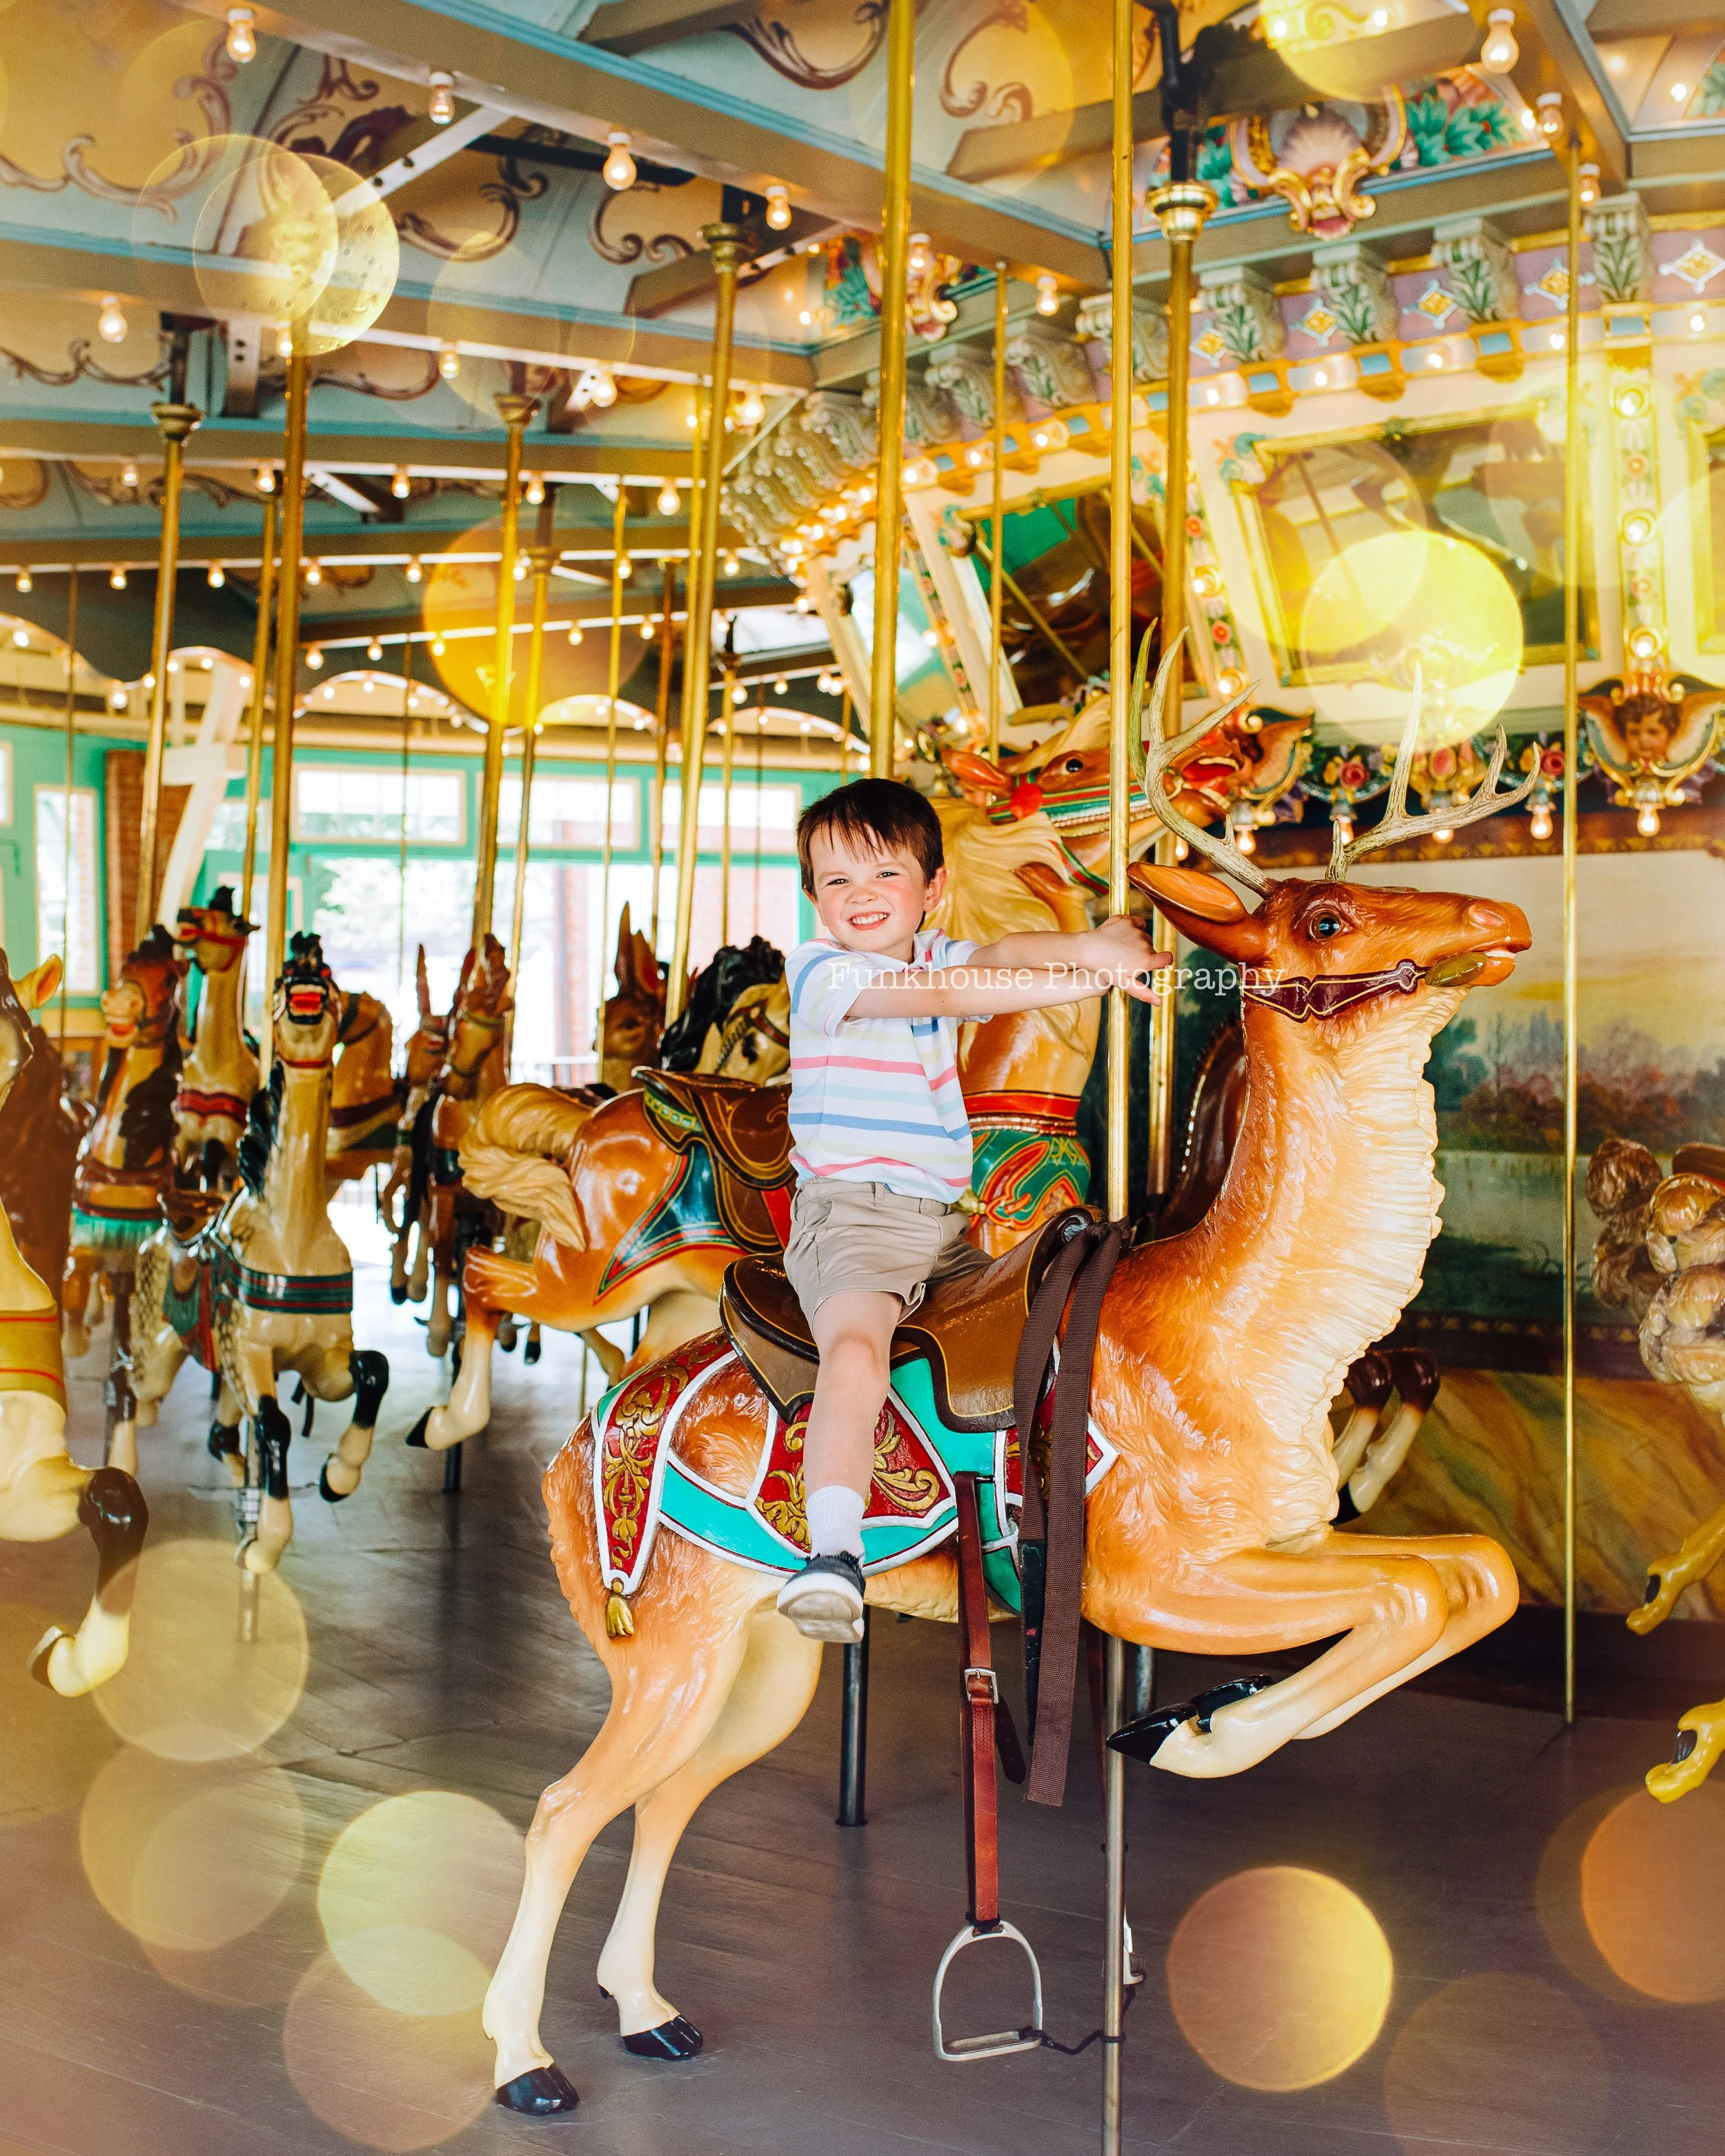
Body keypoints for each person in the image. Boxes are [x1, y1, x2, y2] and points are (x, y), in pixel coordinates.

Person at [774, 775, 1167, 1642]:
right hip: (852, 1217)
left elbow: (1008, 949)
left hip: (945, 1222)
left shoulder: (932, 951)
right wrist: (1088, 978)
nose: (861, 897)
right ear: (813, 899)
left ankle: (1039, 1504)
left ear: (933, 887)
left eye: (884, 874)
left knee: (1051, 1318)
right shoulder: (822, 970)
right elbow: (960, 996)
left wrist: (1088, 943)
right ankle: (832, 1552)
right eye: (837, 882)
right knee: (854, 1349)